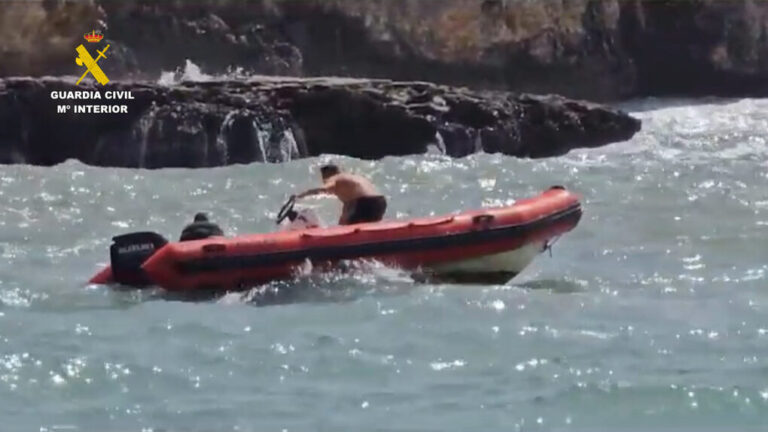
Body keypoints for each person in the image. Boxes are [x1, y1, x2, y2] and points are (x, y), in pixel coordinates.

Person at [294, 164, 387, 225]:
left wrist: (301, 195)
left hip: (364, 202)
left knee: (344, 225)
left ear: (326, 174)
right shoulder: (351, 177)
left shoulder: (334, 178)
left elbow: (324, 189)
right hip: (380, 201)